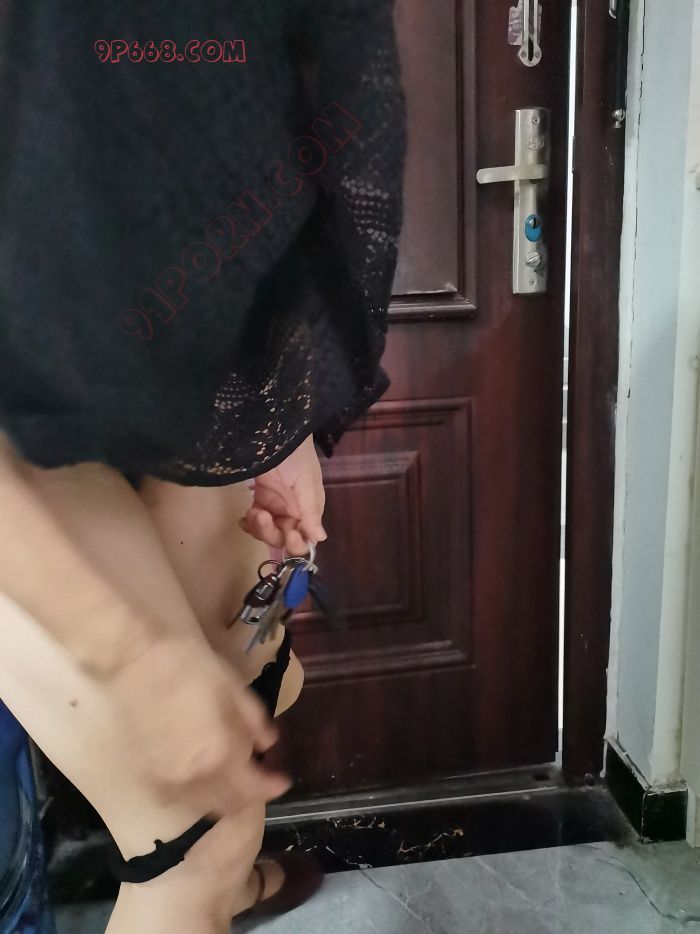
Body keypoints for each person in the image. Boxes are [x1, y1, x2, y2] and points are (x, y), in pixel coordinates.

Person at [0, 1, 406, 931]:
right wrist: (133, 657)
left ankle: (233, 890)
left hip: (167, 400)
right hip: (27, 456)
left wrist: (286, 426)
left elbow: (255, 187)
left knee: (255, 704)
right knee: (197, 842)